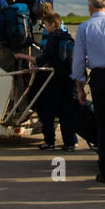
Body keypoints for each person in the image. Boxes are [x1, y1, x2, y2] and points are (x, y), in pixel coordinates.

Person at [72, 0, 105, 184]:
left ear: (90, 8)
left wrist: (80, 86)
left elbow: (78, 59)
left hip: (99, 76)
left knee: (104, 123)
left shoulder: (85, 27)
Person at [34, 12, 77, 151]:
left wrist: (31, 60)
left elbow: (45, 57)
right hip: (69, 79)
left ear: (53, 24)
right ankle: (70, 142)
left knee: (48, 111)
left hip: (54, 80)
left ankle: (49, 141)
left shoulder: (53, 38)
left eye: (46, 24)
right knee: (66, 113)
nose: (45, 28)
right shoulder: (68, 37)